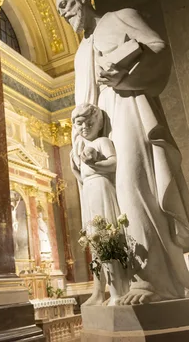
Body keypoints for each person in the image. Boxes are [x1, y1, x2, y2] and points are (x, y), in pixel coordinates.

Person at [57, 0, 189, 304]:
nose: (63, 12)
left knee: (134, 186)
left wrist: (121, 75)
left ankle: (157, 283)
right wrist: (79, 142)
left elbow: (159, 49)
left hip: (127, 105)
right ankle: (121, 283)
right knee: (109, 207)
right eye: (59, 10)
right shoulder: (81, 52)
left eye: (66, 4)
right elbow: (81, 102)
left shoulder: (121, 17)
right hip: (98, 127)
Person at [70, 103, 123, 305]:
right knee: (94, 243)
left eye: (88, 122)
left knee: (108, 239)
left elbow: (114, 162)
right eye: (79, 123)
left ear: (97, 121)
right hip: (89, 192)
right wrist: (75, 166)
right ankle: (98, 291)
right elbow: (82, 178)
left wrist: (94, 164)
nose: (84, 127)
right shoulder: (81, 148)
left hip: (102, 188)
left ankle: (117, 291)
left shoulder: (102, 141)